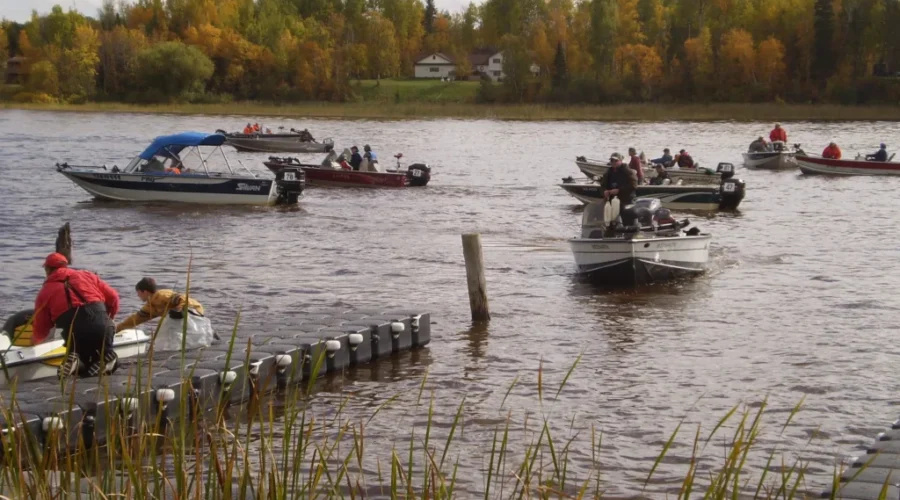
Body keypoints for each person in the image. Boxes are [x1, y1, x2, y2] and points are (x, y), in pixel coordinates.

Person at [32, 253, 120, 379]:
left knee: (83, 360)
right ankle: (107, 358)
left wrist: (35, 342)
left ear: (47, 269)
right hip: (103, 325)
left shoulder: (44, 292)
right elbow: (114, 298)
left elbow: (41, 326)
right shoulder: (88, 275)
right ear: (66, 265)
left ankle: (78, 361)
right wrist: (110, 318)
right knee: (102, 357)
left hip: (75, 333)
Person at [116, 277, 205, 333]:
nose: (138, 295)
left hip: (194, 310)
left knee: (173, 316)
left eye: (138, 292)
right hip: (181, 318)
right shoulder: (150, 306)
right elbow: (135, 319)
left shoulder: (163, 295)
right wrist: (116, 329)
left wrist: (178, 309)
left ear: (145, 292)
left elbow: (183, 299)